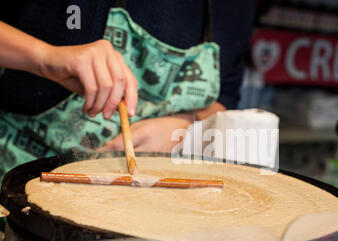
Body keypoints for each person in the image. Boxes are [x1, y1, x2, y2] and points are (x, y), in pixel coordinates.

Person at [0, 0, 255, 177]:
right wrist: (44, 57)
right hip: (22, 177)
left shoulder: (235, 8)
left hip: (150, 206)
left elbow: (225, 97)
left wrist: (185, 125)